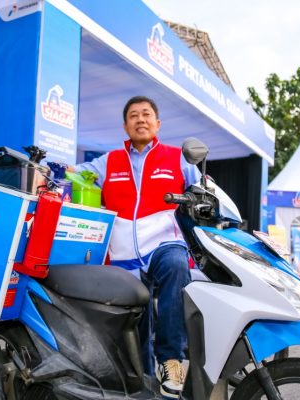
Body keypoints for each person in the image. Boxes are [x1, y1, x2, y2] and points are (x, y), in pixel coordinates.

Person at [70, 95, 201, 398]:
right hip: (124, 255)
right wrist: (49, 168)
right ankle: (141, 377)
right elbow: (76, 172)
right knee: (135, 316)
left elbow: (203, 191)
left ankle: (170, 360)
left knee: (175, 266)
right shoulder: (109, 161)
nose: (140, 119)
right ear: (125, 126)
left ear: (158, 123)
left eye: (146, 114)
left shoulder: (178, 159)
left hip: (163, 244)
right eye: (133, 115)